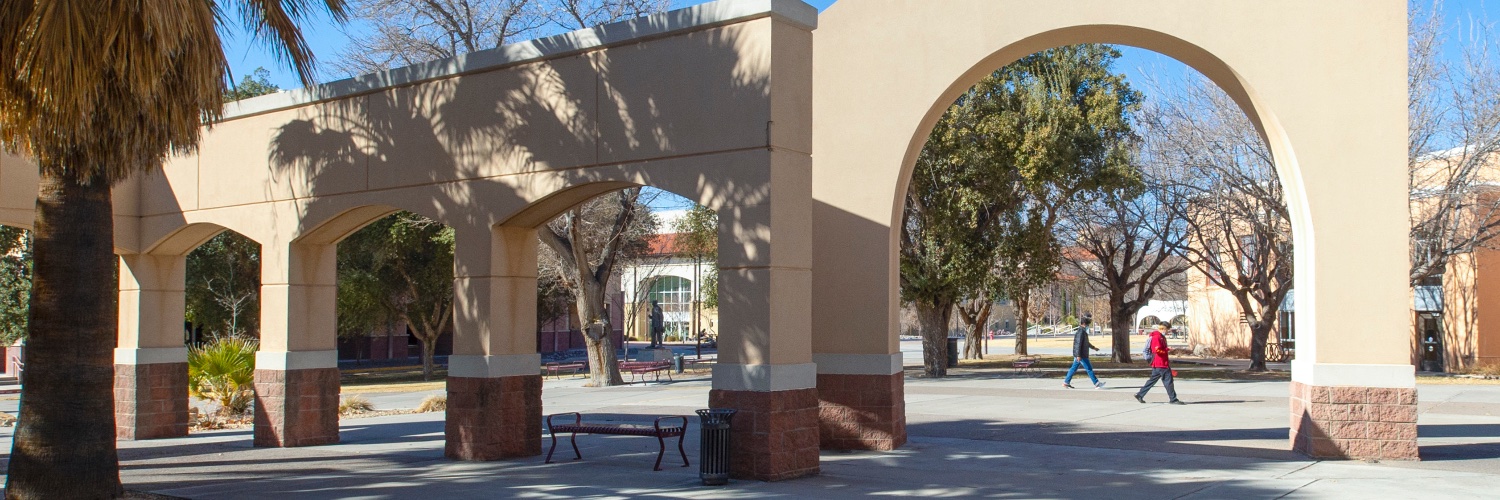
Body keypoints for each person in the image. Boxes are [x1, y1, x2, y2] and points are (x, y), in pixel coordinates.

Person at [1135, 321, 1185, 405]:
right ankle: (1173, 399)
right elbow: (1157, 350)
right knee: (1168, 381)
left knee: (1152, 381)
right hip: (1160, 363)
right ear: (1163, 329)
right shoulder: (1157, 337)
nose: (1168, 331)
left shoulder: (1160, 336)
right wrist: (1168, 349)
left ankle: (1140, 394)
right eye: (1167, 330)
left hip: (1159, 363)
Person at [1064, 313, 1104, 389]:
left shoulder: (1083, 332)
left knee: (1073, 368)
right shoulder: (1081, 332)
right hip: (1081, 355)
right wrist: (1078, 355)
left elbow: (1085, 343)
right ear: (1084, 324)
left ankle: (1066, 382)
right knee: (1089, 369)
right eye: (1088, 324)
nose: (1088, 326)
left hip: (1080, 355)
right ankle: (1096, 383)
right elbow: (1078, 344)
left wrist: (1093, 348)